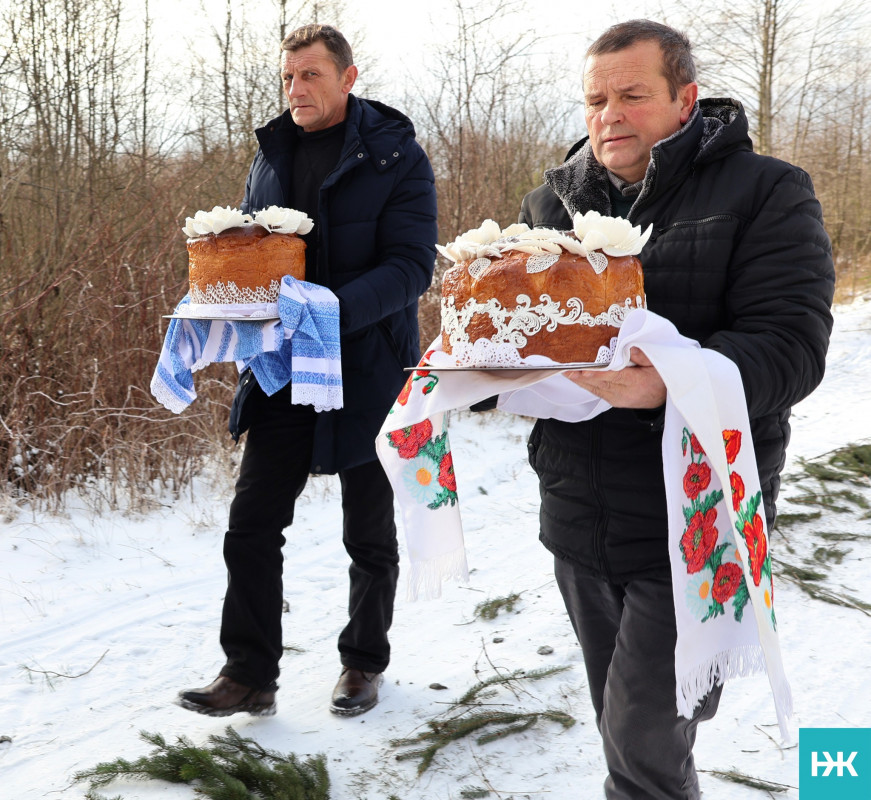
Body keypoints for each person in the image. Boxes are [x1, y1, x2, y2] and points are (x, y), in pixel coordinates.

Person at [518, 19, 834, 799]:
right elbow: (524, 335)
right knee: (624, 723)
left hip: (692, 518)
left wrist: (670, 381)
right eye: (594, 98)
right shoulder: (548, 206)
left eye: (631, 94)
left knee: (638, 742)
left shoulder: (763, 190)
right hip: (577, 509)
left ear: (685, 98)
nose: (607, 115)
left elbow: (792, 347)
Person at [178, 24, 437, 718]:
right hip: (282, 369)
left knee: (369, 533)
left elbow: (411, 268)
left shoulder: (397, 158)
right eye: (288, 77)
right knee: (251, 524)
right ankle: (248, 673)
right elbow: (258, 254)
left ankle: (362, 663)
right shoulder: (270, 154)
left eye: (311, 76)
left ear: (348, 78)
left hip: (369, 369)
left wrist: (327, 311)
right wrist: (226, 297)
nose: (296, 89)